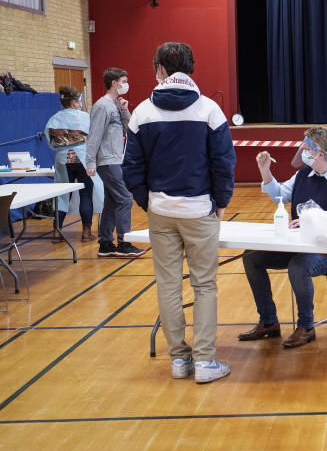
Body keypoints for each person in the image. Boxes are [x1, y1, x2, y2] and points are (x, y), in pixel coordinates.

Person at [122, 42, 237, 383]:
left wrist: (149, 202)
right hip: (200, 209)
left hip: (161, 210)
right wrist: (220, 203)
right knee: (204, 286)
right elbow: (224, 165)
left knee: (168, 285)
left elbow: (132, 169)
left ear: (159, 68)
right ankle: (204, 362)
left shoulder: (142, 112)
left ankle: (179, 361)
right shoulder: (210, 110)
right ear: (191, 68)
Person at [239, 126, 327, 349]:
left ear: (320, 154)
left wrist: (314, 219)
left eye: (306, 147)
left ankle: (306, 326)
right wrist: (265, 170)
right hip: (299, 243)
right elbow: (279, 194)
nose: (302, 151)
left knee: (298, 266)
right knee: (252, 257)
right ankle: (268, 322)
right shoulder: (304, 174)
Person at [86, 67, 146, 258]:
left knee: (113, 201)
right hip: (106, 160)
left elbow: (130, 130)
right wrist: (90, 162)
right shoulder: (101, 106)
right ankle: (124, 243)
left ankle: (105, 243)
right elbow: (94, 136)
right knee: (125, 198)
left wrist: (124, 110)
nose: (125, 85)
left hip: (117, 159)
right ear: (114, 83)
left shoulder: (116, 105)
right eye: (123, 81)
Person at [44, 86, 103, 243]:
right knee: (86, 194)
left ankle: (57, 232)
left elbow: (51, 142)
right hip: (84, 158)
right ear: (76, 102)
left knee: (62, 196)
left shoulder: (54, 119)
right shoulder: (86, 117)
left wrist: (64, 147)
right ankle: (86, 232)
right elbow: (95, 137)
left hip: (63, 158)